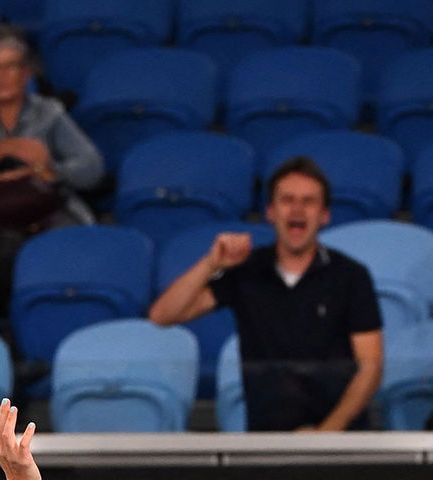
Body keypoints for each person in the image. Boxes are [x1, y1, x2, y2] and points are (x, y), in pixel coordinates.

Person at [148, 157, 383, 431]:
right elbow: (162, 316)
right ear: (271, 212)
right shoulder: (246, 269)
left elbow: (371, 368)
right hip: (268, 438)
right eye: (287, 200)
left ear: (324, 215)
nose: (297, 209)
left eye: (308, 201)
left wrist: (325, 434)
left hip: (342, 440)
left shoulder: (351, 275)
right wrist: (210, 263)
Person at [0, 25, 104, 316]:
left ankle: (55, 323)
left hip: (45, 208)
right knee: (3, 248)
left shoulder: (49, 113)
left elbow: (92, 168)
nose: (3, 75)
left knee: (64, 242)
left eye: (12, 66)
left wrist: (48, 170)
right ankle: (12, 331)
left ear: (26, 73)